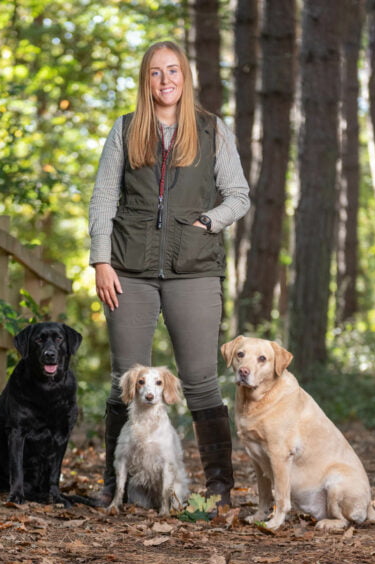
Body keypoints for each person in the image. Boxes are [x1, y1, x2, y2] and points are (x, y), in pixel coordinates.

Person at [88, 40, 250, 509]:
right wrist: (101, 260)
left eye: (173, 71)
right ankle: (112, 486)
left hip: (194, 269)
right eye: (156, 73)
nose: (165, 81)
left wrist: (208, 222)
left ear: (185, 77)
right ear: (146, 80)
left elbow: (237, 194)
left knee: (200, 380)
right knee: (124, 378)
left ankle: (219, 487)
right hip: (128, 271)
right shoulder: (124, 130)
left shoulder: (211, 129)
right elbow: (102, 200)